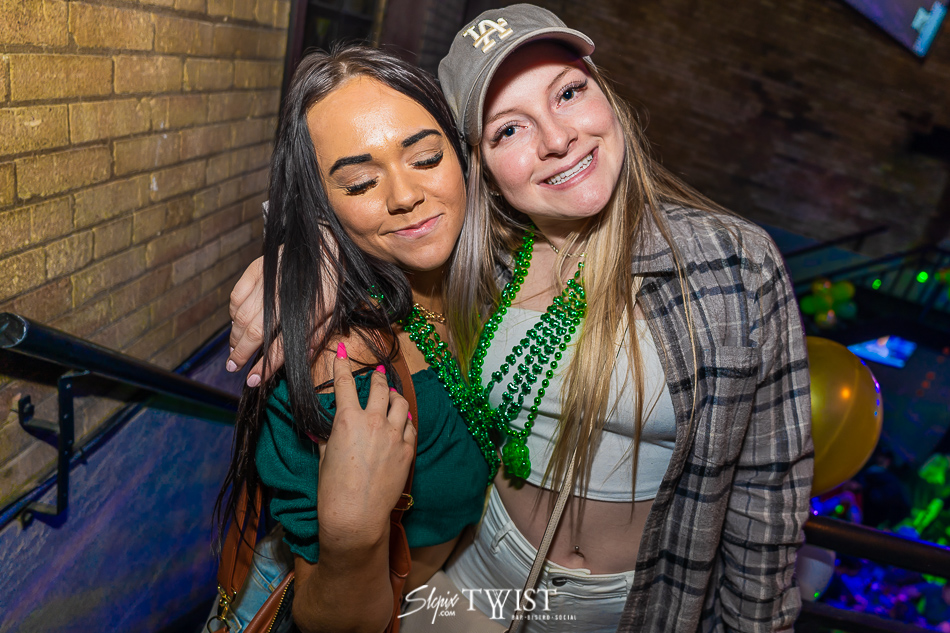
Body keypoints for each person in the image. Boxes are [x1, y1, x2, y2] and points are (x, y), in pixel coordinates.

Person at [227, 5, 814, 632]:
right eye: (508, 129)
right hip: (467, 582)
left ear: (605, 92)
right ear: (479, 162)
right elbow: (363, 205)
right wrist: (300, 255)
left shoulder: (732, 264)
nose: (557, 139)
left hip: (635, 608)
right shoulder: (485, 257)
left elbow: (767, 500)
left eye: (568, 92)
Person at [214, 46, 497, 633]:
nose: (404, 195)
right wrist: (351, 535)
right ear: (323, 205)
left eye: (425, 157)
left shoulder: (495, 270)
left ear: (462, 152)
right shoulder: (340, 360)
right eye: (361, 182)